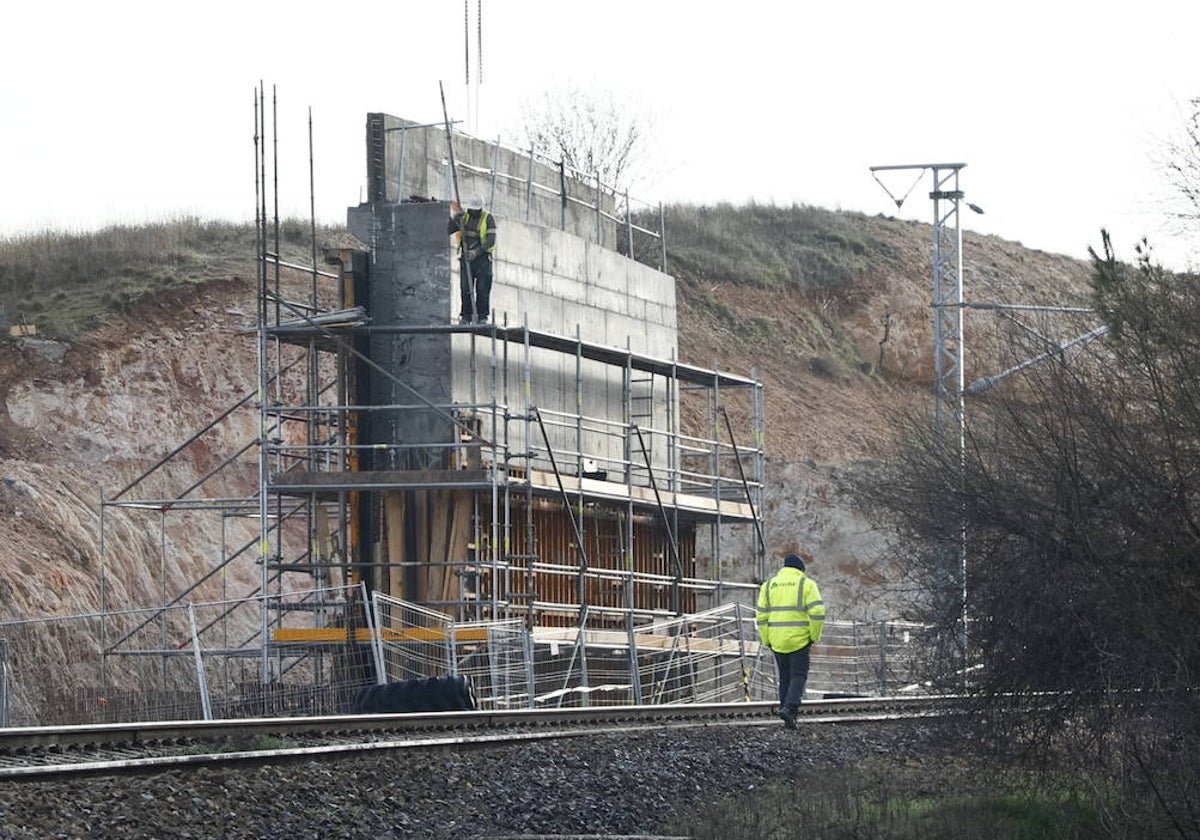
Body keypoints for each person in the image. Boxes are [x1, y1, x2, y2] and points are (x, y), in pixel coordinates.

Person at [756, 551, 826, 729]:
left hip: (776, 640)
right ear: (801, 569)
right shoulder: (806, 584)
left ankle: (786, 713)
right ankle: (790, 708)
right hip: (799, 639)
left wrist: (767, 639)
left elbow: (761, 616)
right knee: (798, 675)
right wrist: (813, 636)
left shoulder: (769, 585)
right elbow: (818, 612)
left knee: (784, 677)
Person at [448, 194, 497, 324]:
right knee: (465, 288)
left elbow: (491, 241)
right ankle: (466, 316)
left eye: (476, 210)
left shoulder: (488, 218)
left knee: (482, 288)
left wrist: (476, 252)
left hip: (482, 260)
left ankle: (482, 317)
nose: (474, 212)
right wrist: (454, 219)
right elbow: (447, 230)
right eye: (472, 210)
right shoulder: (464, 217)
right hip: (466, 260)